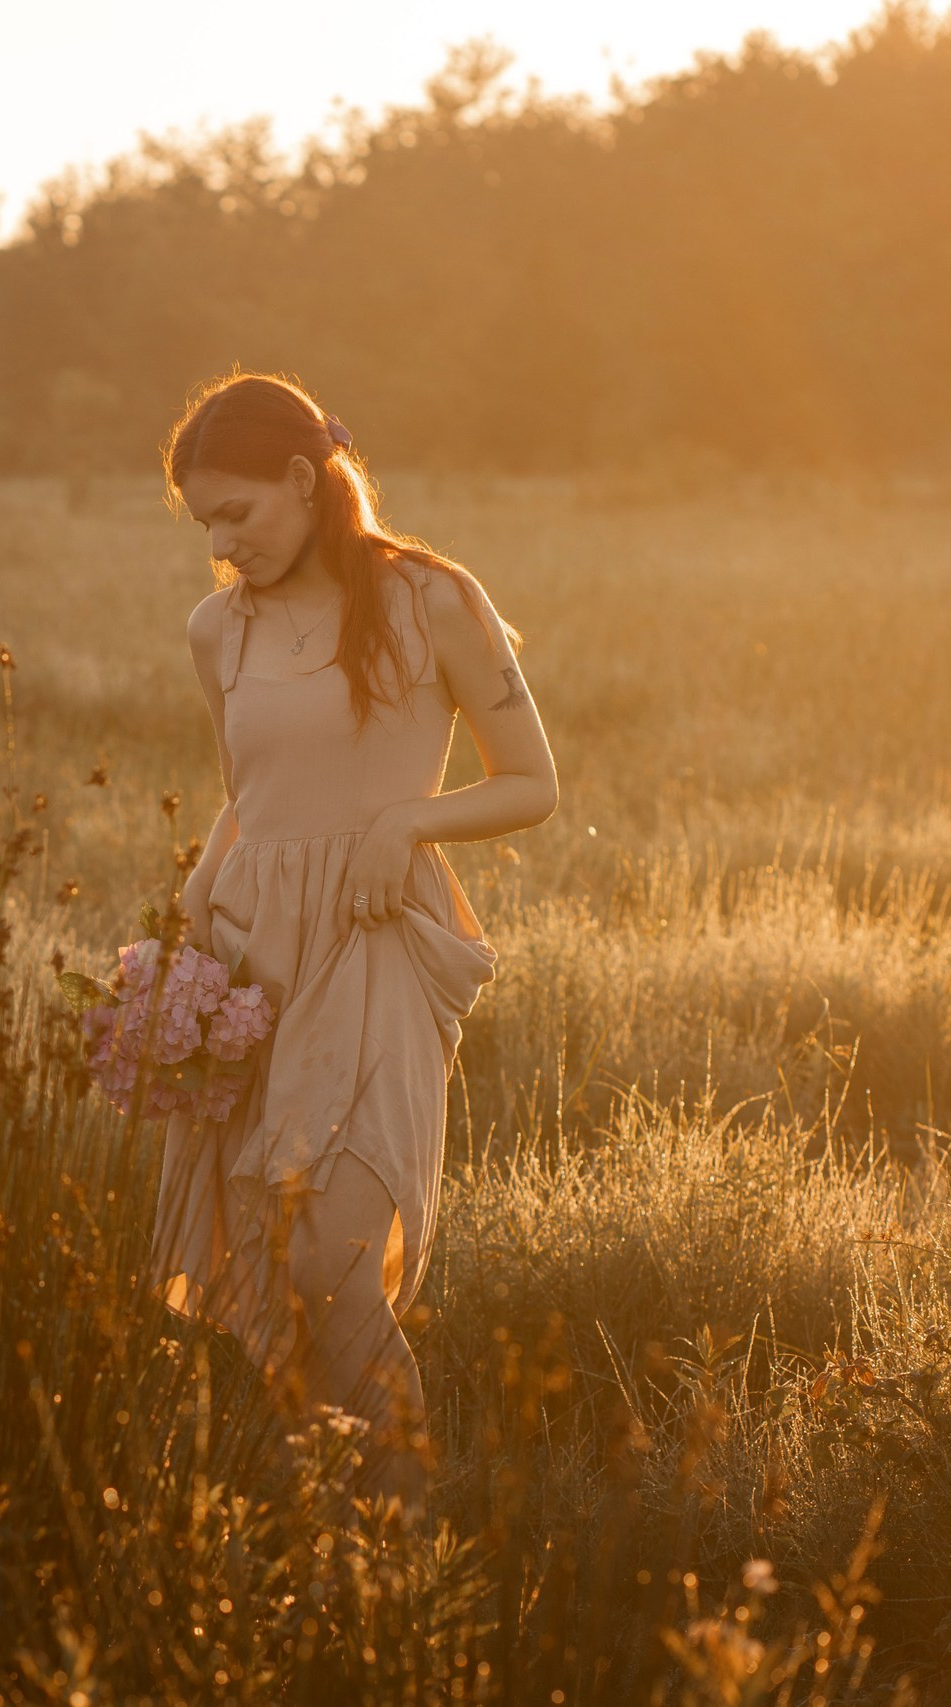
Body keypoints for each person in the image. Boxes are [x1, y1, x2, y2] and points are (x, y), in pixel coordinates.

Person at [155, 371, 558, 1509]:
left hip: (376, 941)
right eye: (205, 525)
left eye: (237, 513)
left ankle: (404, 1539)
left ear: (302, 478)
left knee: (329, 1261)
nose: (222, 545)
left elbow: (532, 784)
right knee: (265, 1269)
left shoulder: (431, 599)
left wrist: (407, 823)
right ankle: (328, 1534)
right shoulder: (216, 630)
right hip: (252, 959)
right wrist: (201, 884)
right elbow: (249, 794)